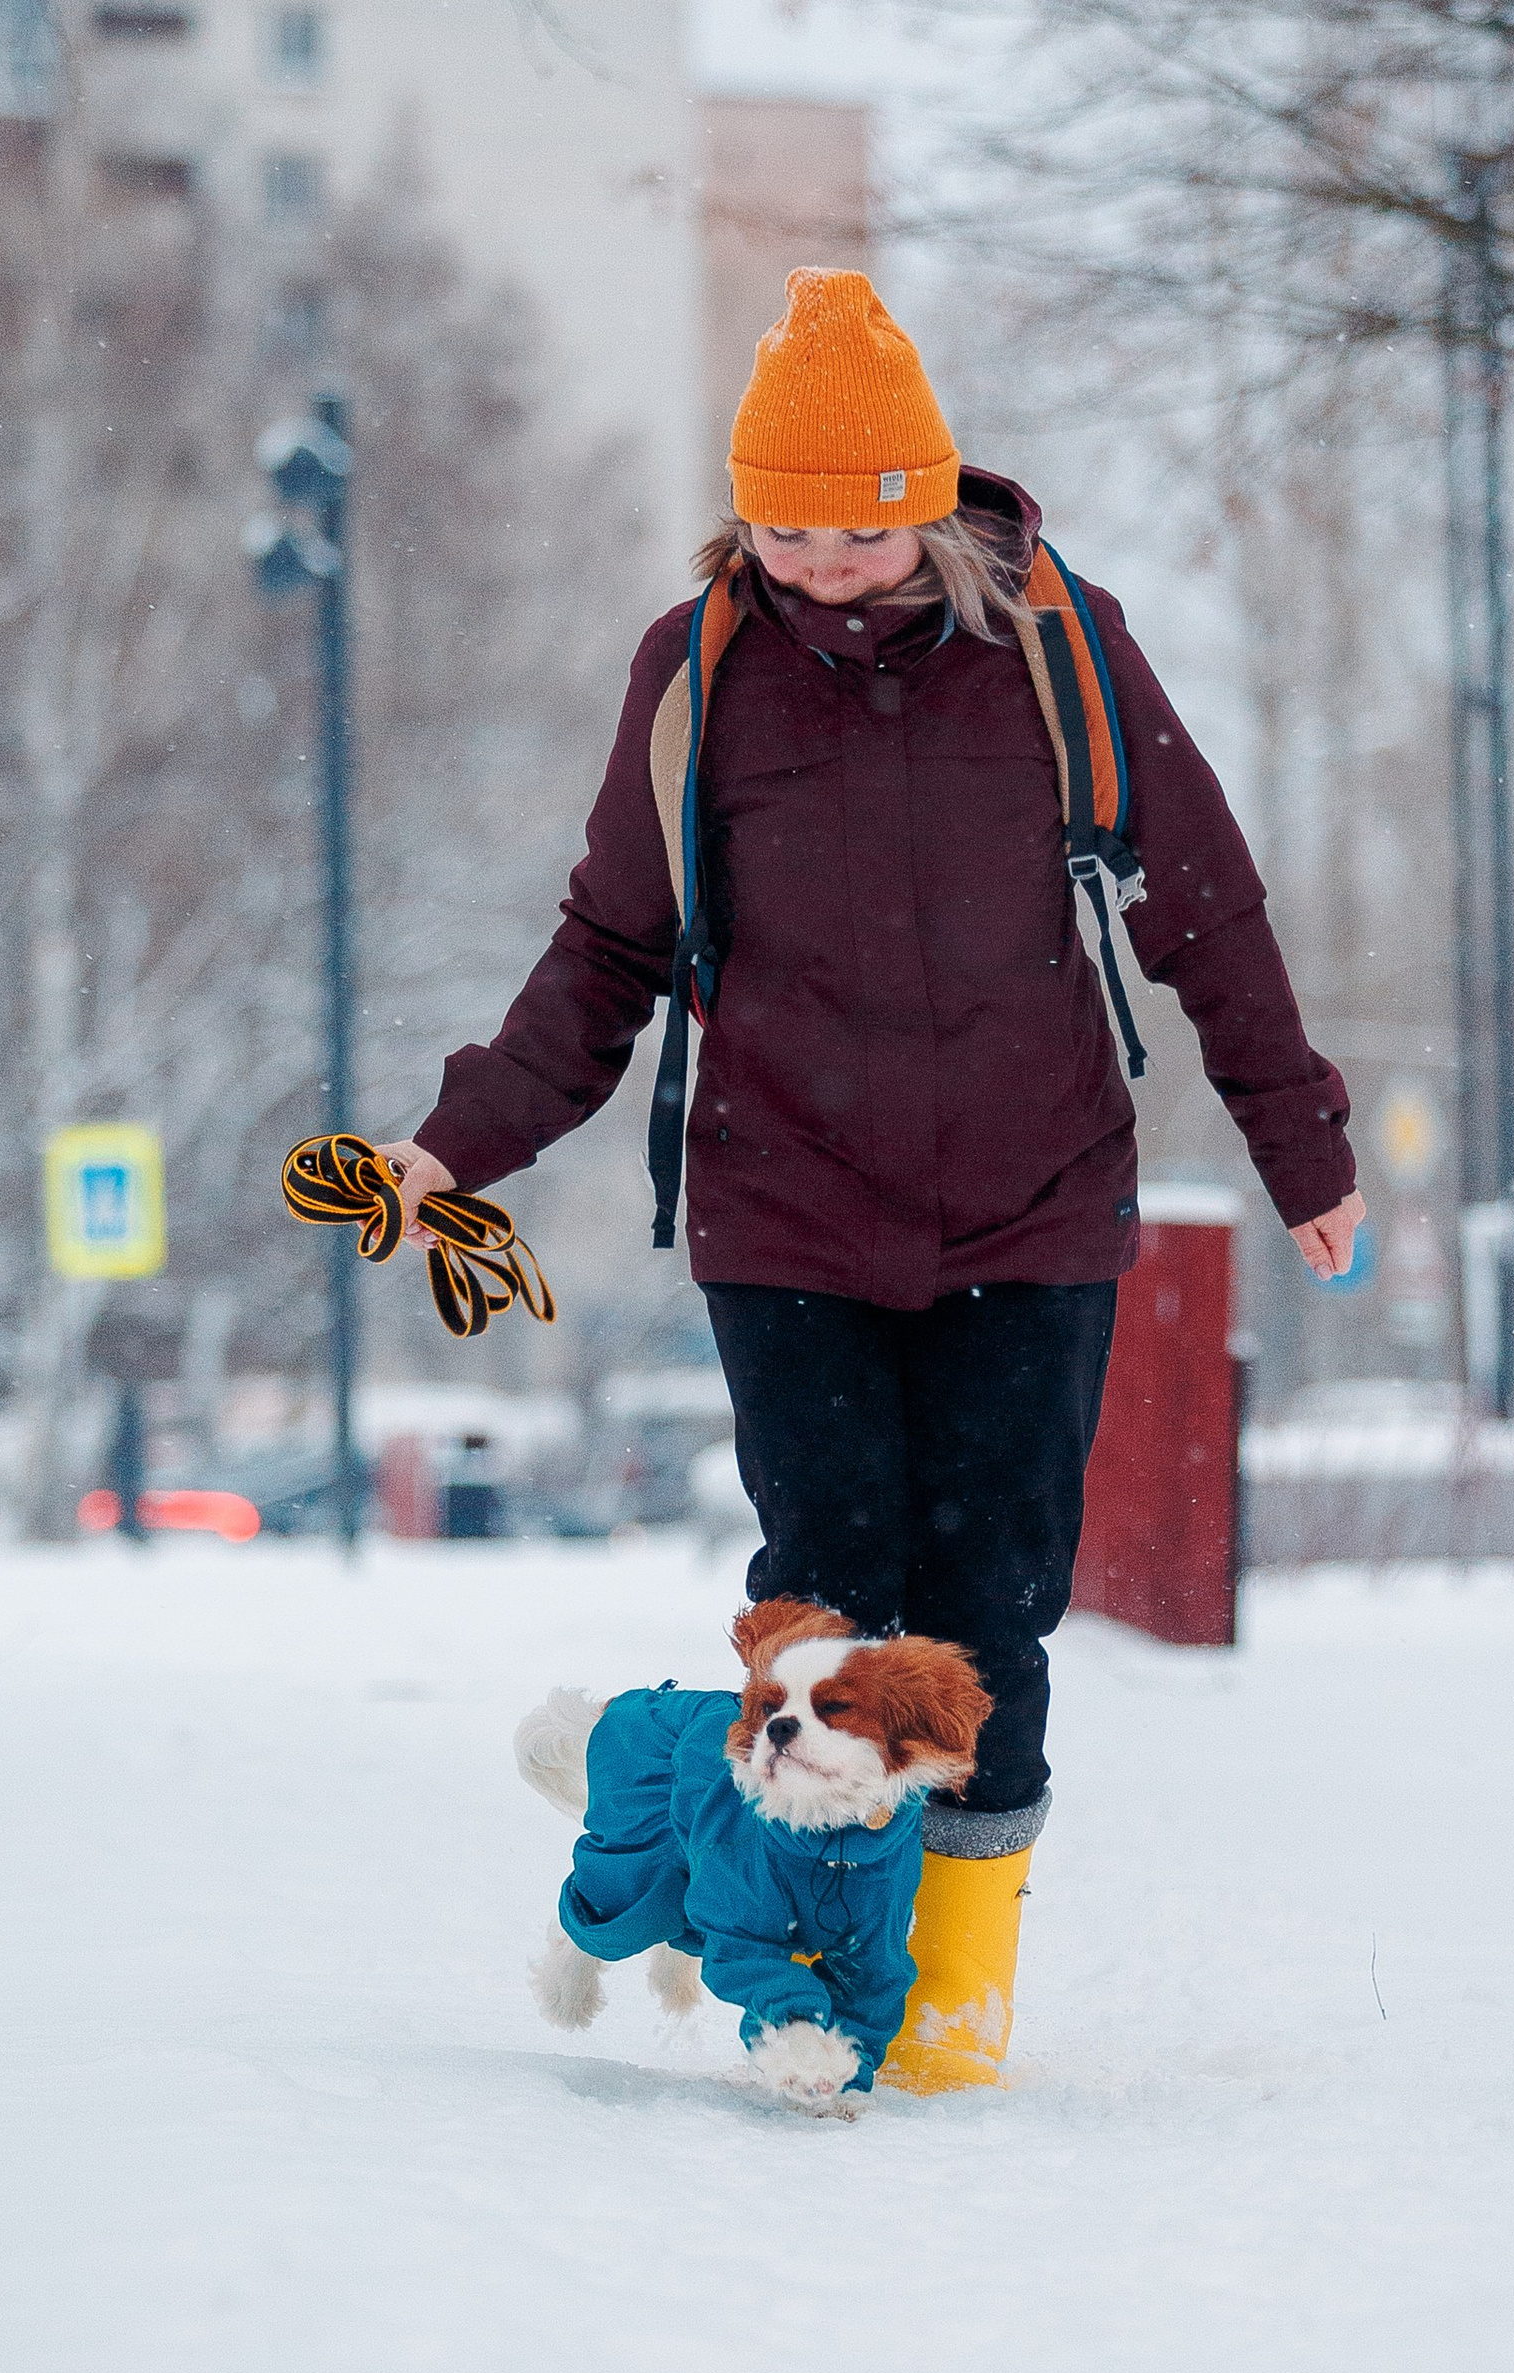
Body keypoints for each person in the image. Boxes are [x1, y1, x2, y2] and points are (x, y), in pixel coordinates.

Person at [384, 271, 1362, 2086]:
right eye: (786, 522)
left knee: (985, 1616)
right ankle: (807, 1977)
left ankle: (950, 2012)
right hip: (791, 1212)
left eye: (860, 521)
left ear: (928, 497)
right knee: (826, 1602)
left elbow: (1199, 904)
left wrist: (1298, 1137)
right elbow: (611, 946)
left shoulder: (1061, 650)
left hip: (1035, 1205)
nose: (824, 557)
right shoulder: (697, 671)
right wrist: (459, 1141)